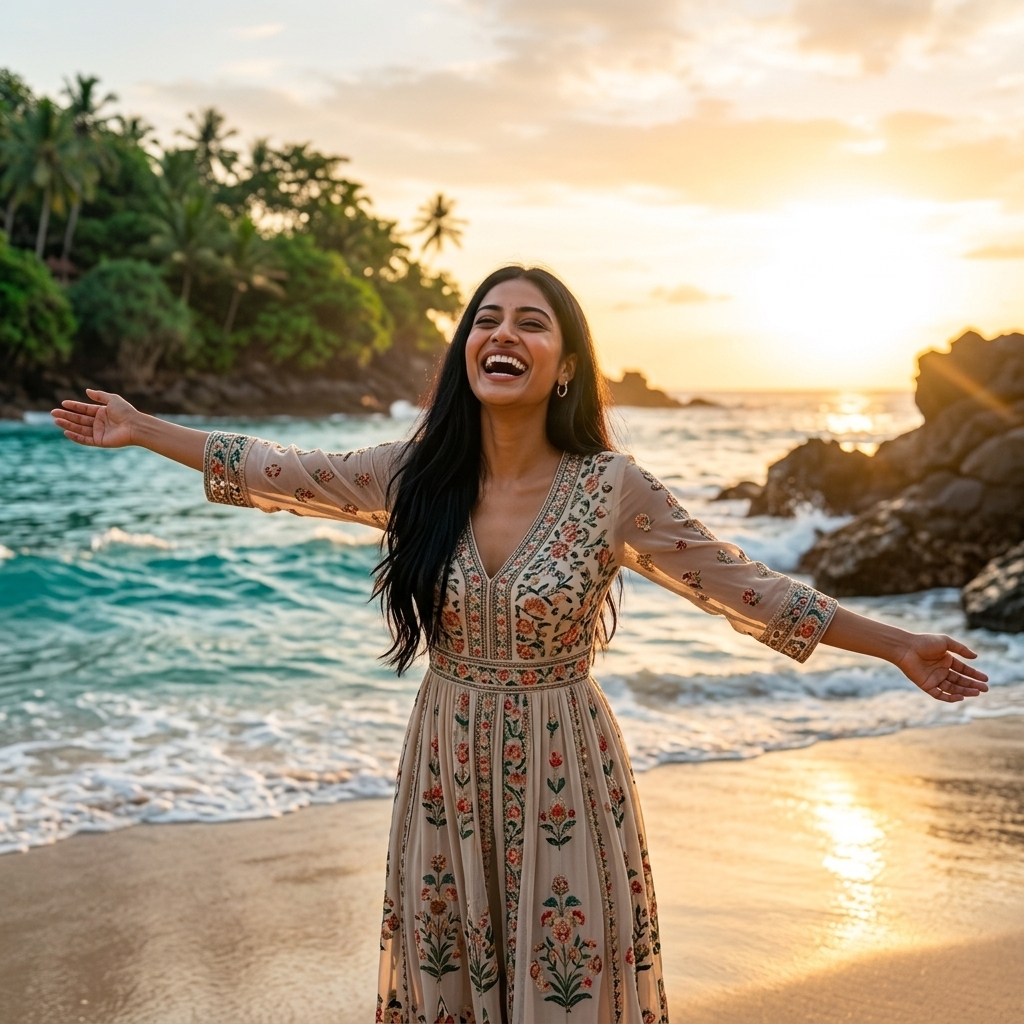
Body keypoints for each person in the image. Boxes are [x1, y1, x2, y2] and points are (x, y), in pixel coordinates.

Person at [51, 265, 988, 1024]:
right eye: (486, 320)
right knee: (448, 976)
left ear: (566, 365)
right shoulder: (414, 475)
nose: (502, 334)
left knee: (567, 983)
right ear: (465, 350)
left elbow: (744, 585)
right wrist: (142, 430)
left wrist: (896, 643)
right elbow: (280, 469)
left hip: (564, 768)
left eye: (531, 323)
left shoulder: (612, 487)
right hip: (445, 766)